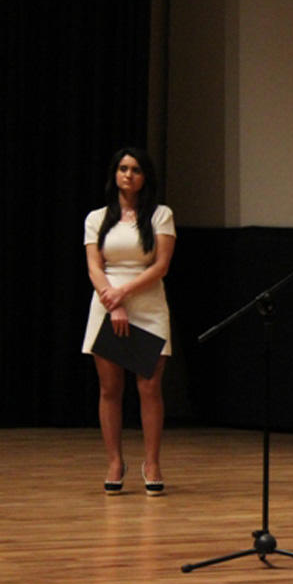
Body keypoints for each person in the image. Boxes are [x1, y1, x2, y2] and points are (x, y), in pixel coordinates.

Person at [81, 146, 176, 496]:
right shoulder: (96, 218)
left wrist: (125, 295)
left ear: (144, 176)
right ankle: (114, 462)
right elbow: (95, 266)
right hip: (107, 304)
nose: (128, 175)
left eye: (135, 169)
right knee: (110, 389)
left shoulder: (161, 215)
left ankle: (151, 462)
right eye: (123, 168)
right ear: (115, 174)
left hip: (147, 304)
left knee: (149, 389)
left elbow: (161, 266)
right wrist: (113, 300)